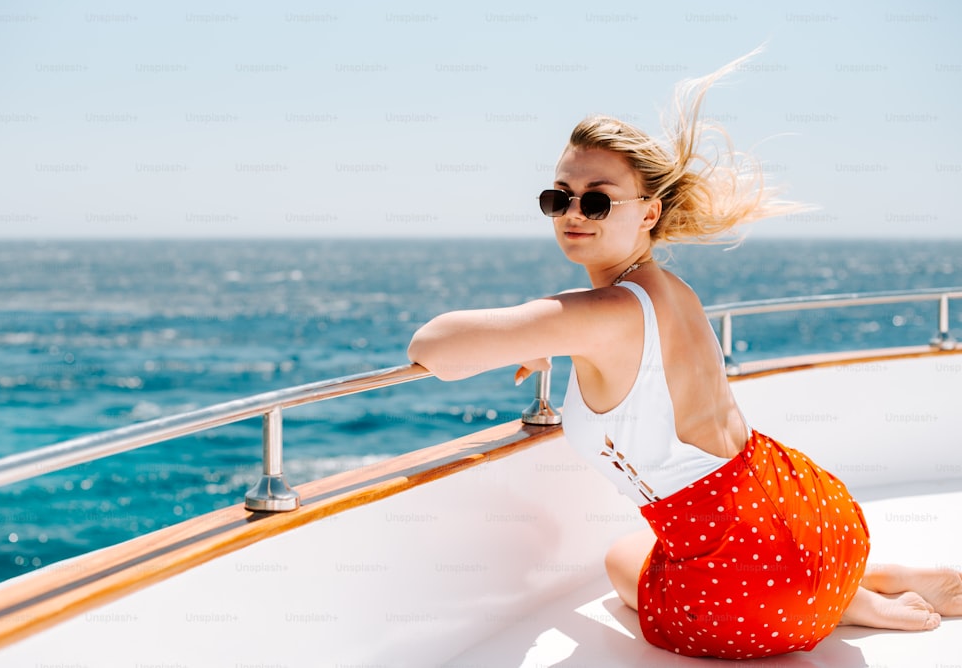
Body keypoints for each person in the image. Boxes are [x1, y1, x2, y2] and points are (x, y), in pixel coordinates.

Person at [406, 51, 962, 659]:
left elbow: (434, 348)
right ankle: (857, 592)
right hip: (821, 519)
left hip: (749, 589)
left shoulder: (600, 314)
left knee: (622, 559)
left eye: (596, 201)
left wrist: (538, 333)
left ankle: (853, 600)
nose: (572, 213)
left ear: (649, 212)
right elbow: (634, 365)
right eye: (557, 197)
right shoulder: (673, 292)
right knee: (706, 557)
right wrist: (549, 339)